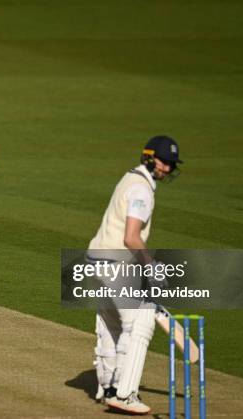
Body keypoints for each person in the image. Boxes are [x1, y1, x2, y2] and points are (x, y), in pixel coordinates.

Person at [88, 135, 183, 414]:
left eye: (171, 164)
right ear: (149, 157)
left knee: (111, 324)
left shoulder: (130, 178)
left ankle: (107, 387)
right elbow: (131, 237)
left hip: (94, 261)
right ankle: (125, 393)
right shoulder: (142, 189)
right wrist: (151, 267)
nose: (167, 168)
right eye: (164, 161)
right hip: (114, 265)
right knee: (140, 323)